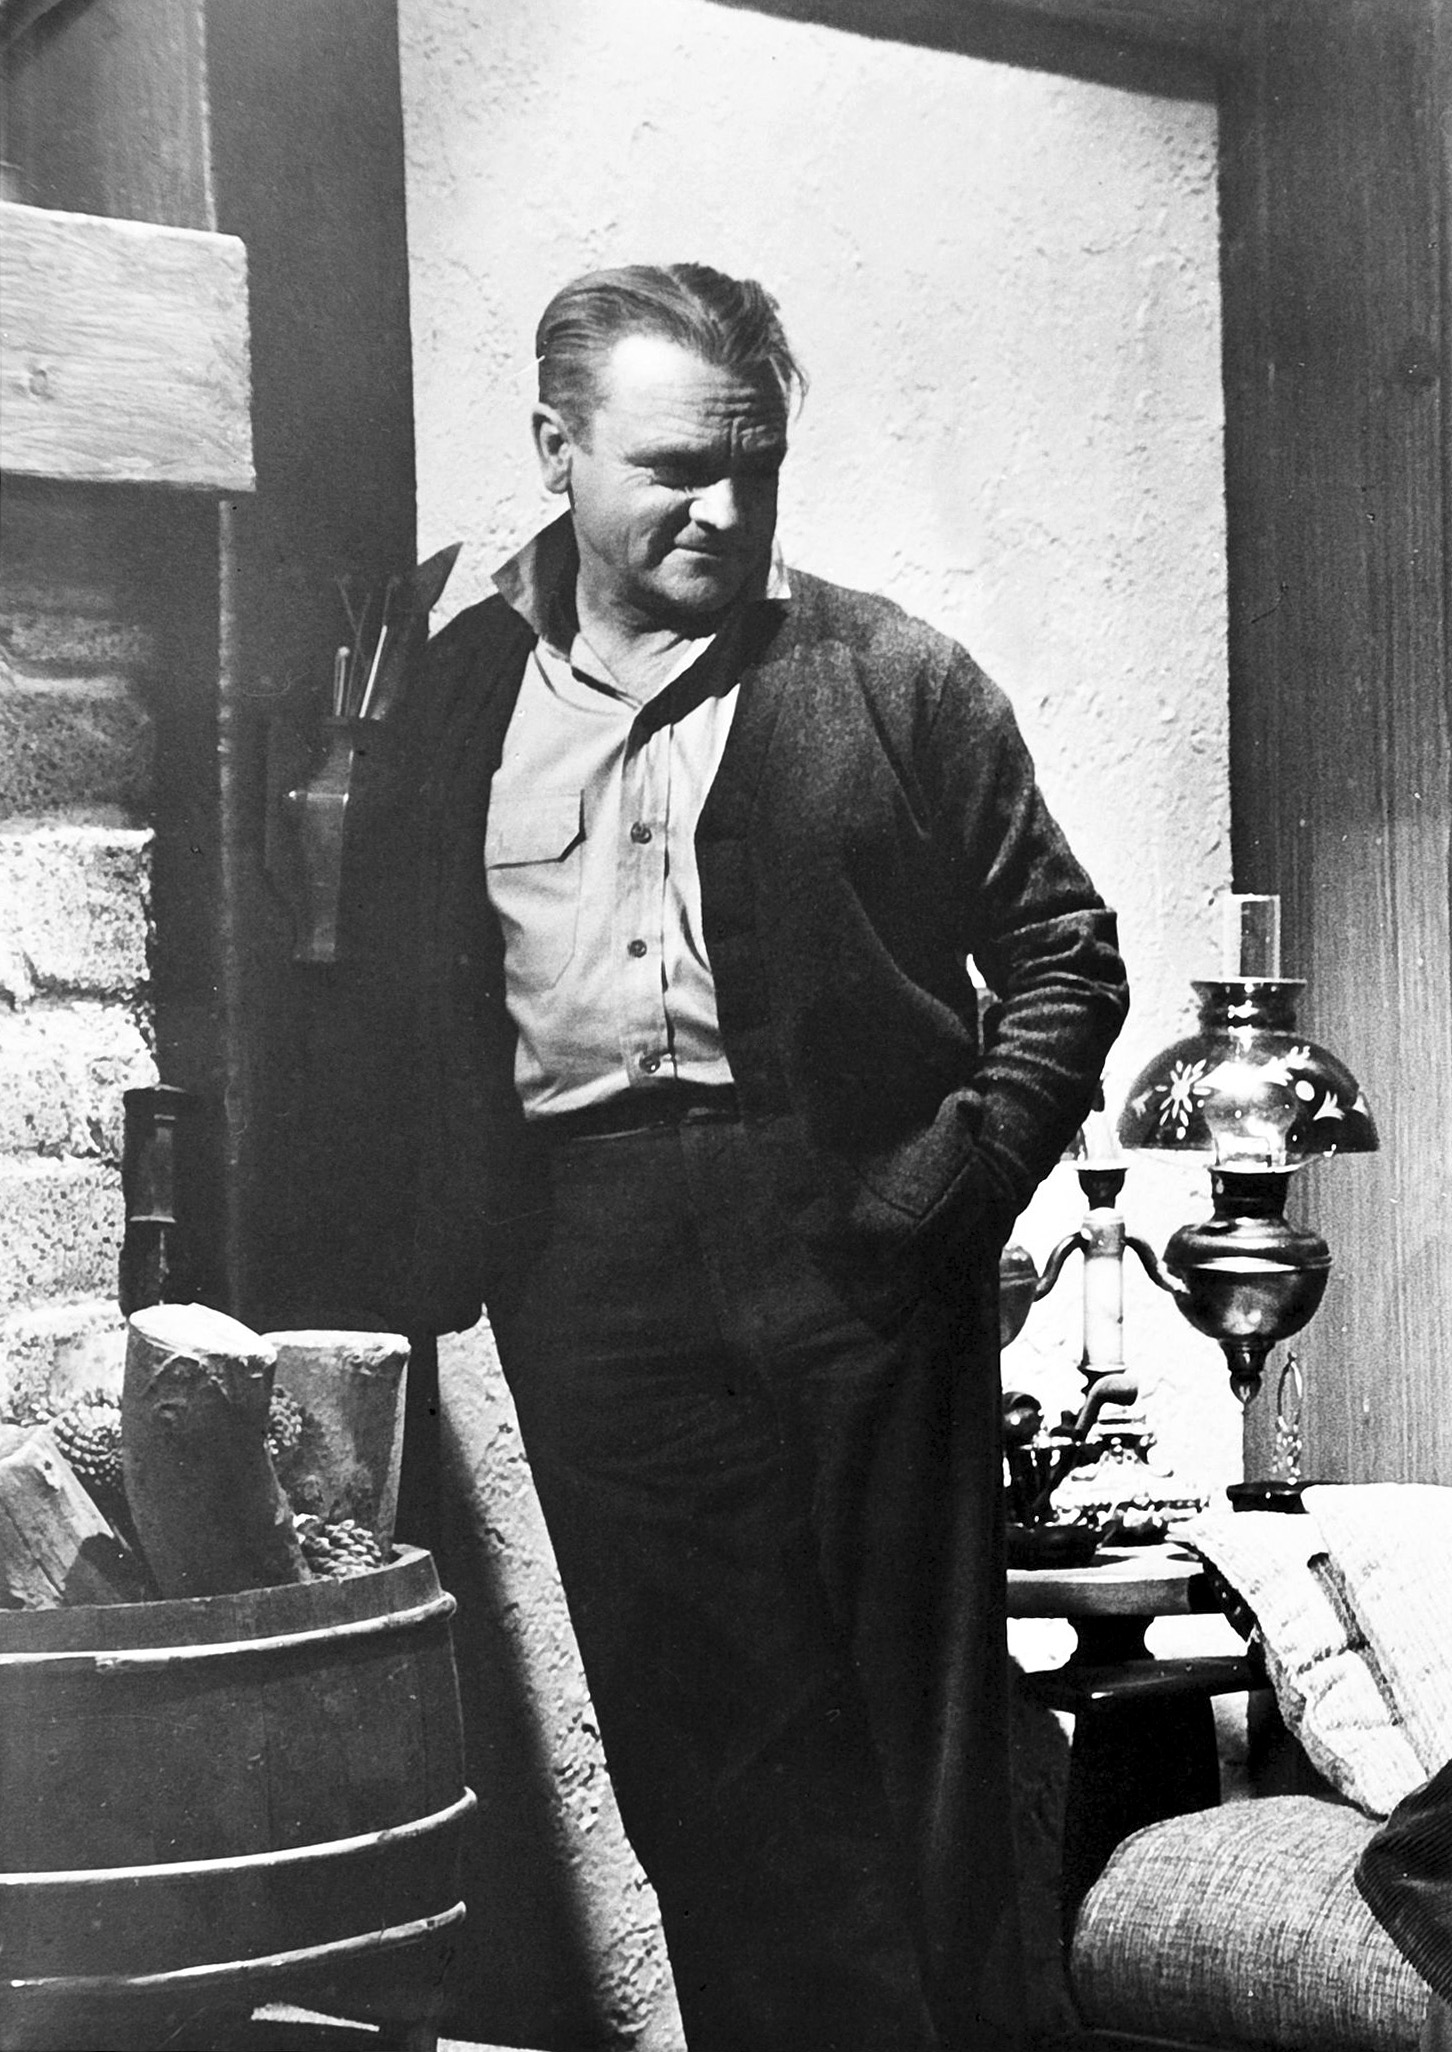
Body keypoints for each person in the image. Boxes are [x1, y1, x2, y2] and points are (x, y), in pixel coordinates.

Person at [396, 262, 1129, 2051]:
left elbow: (1067, 956)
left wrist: (951, 1192)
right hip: (592, 1273)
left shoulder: (891, 675)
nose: (724, 510)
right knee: (700, 1763)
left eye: (756, 465)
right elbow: (396, 990)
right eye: (675, 469)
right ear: (557, 450)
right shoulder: (459, 693)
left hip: (855, 1246)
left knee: (920, 1754)